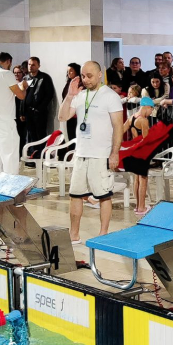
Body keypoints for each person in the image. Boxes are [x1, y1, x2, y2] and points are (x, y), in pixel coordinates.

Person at [58, 61, 123, 244]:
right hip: (81, 153)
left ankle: (103, 234)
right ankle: (74, 235)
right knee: (75, 195)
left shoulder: (110, 96)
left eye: (89, 76)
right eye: (83, 76)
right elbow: (62, 117)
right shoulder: (80, 95)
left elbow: (118, 126)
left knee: (103, 195)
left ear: (100, 74)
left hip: (101, 154)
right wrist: (70, 96)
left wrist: (114, 153)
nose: (85, 80)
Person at [121, 96, 155, 215]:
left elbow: (121, 131)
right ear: (147, 107)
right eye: (151, 109)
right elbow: (146, 140)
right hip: (142, 153)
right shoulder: (144, 121)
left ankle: (137, 205)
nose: (151, 112)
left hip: (133, 151)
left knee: (137, 179)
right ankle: (141, 208)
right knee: (143, 179)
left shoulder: (131, 118)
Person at [22, 57, 55, 159]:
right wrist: (22, 112)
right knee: (31, 135)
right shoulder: (26, 78)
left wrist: (40, 108)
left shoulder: (44, 78)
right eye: (29, 64)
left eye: (33, 65)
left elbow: (49, 95)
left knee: (40, 134)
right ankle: (33, 155)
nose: (30, 67)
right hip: (28, 112)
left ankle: (41, 155)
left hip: (39, 112)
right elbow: (22, 96)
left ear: (38, 66)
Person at [61, 63, 82, 141]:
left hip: (77, 114)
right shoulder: (68, 83)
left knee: (77, 136)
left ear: (76, 71)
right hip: (68, 113)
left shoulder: (80, 83)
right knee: (71, 136)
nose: (69, 73)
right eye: (67, 71)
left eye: (71, 71)